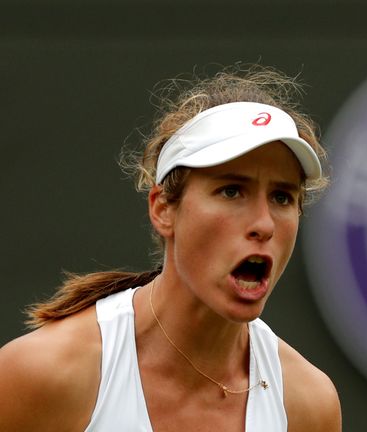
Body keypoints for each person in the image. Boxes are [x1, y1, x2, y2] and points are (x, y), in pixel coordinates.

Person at [0, 64, 342, 431]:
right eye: (231, 190)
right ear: (163, 209)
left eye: (281, 197)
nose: (263, 224)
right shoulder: (43, 374)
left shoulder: (308, 404)